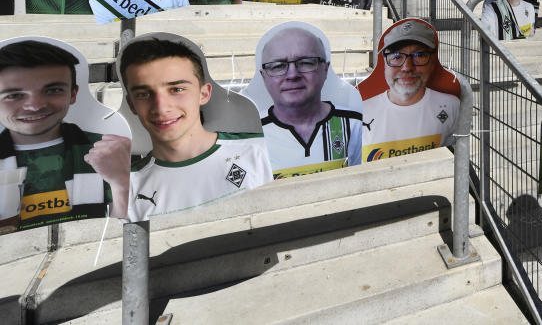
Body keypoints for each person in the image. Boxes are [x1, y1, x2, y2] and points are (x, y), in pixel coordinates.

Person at [121, 37, 271, 221]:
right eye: (143, 94)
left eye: (176, 89)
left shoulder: (262, 152)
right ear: (131, 104)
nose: (161, 107)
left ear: (204, 94)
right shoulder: (122, 188)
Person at [0, 40, 130, 231]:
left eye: (53, 90)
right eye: (14, 95)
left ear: (73, 94)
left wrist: (120, 183)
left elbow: (123, 227)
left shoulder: (108, 149)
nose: (35, 106)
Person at [257, 27, 362, 177]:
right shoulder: (252, 136)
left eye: (305, 63)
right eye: (278, 66)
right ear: (264, 76)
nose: (292, 75)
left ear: (325, 69)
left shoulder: (355, 127)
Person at [358, 19, 461, 162]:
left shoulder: (451, 106)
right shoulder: (359, 113)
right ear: (384, 65)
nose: (407, 67)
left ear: (432, 63)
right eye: (397, 56)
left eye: (419, 56)